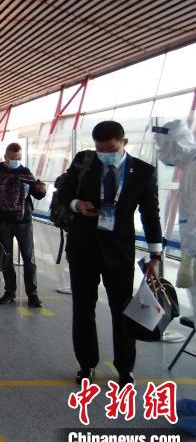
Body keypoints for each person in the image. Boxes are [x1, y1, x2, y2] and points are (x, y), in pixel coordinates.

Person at [57, 121, 162, 387]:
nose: (105, 154)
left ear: (124, 143)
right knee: (83, 307)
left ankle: (125, 368)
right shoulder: (84, 161)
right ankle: (86, 364)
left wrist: (155, 256)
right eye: (100, 149)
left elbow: (151, 214)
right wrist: (76, 204)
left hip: (119, 250)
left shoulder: (143, 172)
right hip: (83, 246)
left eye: (111, 149)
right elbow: (64, 192)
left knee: (122, 308)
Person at [0, 143, 46, 306]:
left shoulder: (25, 172)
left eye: (19, 158)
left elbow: (36, 195)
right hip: (2, 220)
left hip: (24, 221)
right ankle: (10, 291)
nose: (16, 161)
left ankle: (32, 294)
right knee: (6, 257)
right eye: (13, 158)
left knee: (29, 259)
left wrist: (41, 190)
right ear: (6, 157)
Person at [154, 120, 196, 316]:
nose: (161, 153)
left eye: (163, 147)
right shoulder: (190, 165)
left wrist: (190, 255)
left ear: (177, 144)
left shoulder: (193, 168)